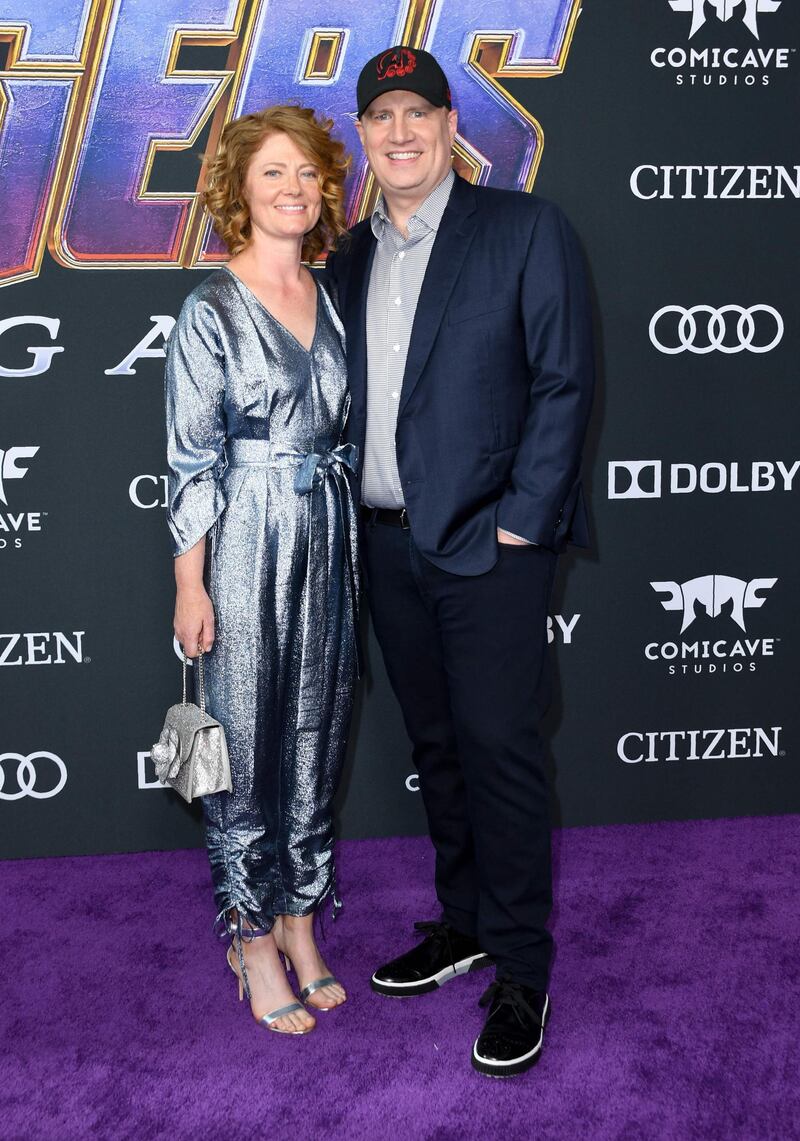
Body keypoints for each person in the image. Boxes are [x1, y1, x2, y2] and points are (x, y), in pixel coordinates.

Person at [326, 47, 594, 1076]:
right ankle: (467, 920)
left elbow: (563, 382)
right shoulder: (346, 259)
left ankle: (523, 966)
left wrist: (521, 524)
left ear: (449, 127)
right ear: (364, 134)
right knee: (436, 747)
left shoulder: (522, 229)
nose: (398, 131)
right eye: (380, 114)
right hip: (385, 547)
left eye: (417, 113)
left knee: (499, 750)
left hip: (489, 548)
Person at [165, 105, 358, 1036]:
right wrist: (189, 583)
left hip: (327, 528)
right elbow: (192, 460)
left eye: (307, 173)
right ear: (239, 189)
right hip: (243, 533)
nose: (293, 188)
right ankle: (248, 935)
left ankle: (300, 918)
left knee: (317, 729)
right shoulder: (209, 306)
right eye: (273, 172)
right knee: (240, 742)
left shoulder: (334, 293)